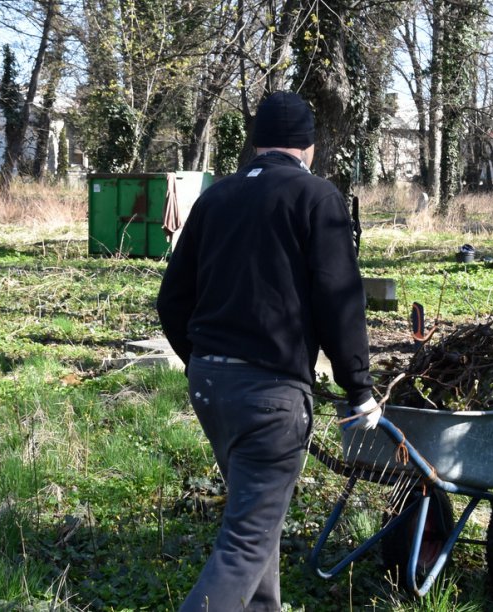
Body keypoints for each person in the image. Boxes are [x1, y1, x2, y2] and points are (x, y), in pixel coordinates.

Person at [157, 91, 381, 611]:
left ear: (256, 145)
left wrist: (206, 361)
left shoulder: (216, 197)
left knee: (258, 523)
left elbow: (172, 300)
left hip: (210, 386)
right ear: (309, 147)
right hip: (271, 397)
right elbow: (339, 302)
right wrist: (360, 389)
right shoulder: (317, 197)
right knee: (245, 543)